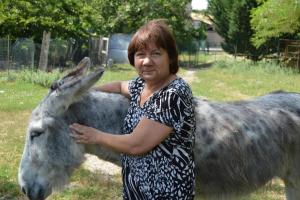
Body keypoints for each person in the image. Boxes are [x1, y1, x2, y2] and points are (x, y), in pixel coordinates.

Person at [70, 19, 196, 200]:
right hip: (136, 192)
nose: (146, 61)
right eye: (140, 54)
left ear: (170, 57)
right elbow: (120, 86)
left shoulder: (173, 94)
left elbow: (136, 144)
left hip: (166, 194)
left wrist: (95, 136)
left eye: (156, 53)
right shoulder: (142, 85)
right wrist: (85, 91)